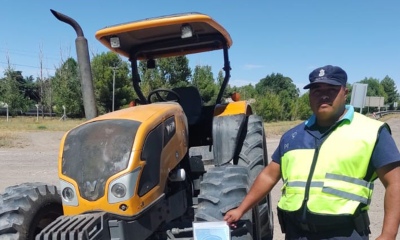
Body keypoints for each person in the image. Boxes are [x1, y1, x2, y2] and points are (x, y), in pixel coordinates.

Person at [224, 65, 400, 240]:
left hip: (344, 234)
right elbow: (269, 176)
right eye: (316, 90)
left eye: (331, 89)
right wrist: (241, 209)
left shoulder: (370, 131)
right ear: (309, 95)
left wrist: (388, 234)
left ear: (345, 92)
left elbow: (395, 183)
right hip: (296, 233)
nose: (323, 95)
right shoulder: (292, 136)